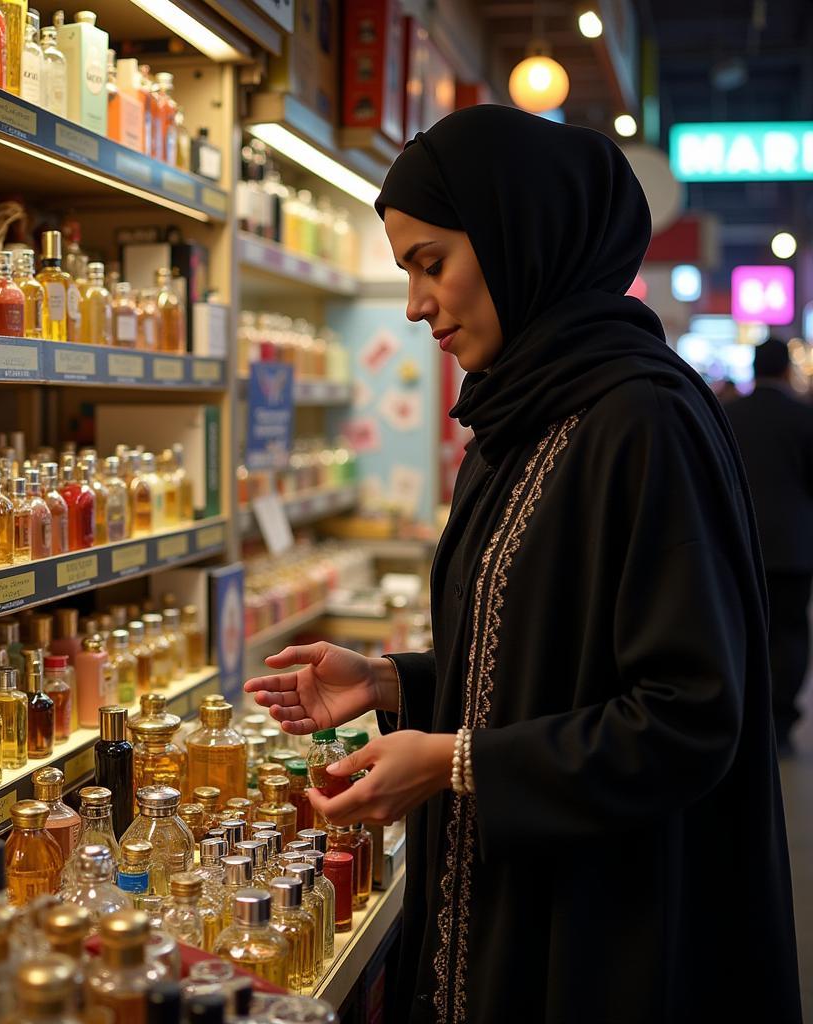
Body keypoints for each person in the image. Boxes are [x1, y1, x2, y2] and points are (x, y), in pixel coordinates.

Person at [244, 106, 801, 1024]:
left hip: (601, 924)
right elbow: (542, 659)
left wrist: (457, 762)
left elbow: (690, 715)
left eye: (433, 263)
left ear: (517, 234)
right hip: (505, 903)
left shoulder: (643, 422)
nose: (417, 304)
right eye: (405, 272)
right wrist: (390, 682)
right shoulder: (515, 418)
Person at [726, 336, 813, 752]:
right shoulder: (804, 417)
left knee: (744, 629)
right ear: (785, 370)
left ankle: (746, 715)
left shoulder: (729, 415)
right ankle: (780, 722)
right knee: (791, 633)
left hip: (738, 544)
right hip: (794, 547)